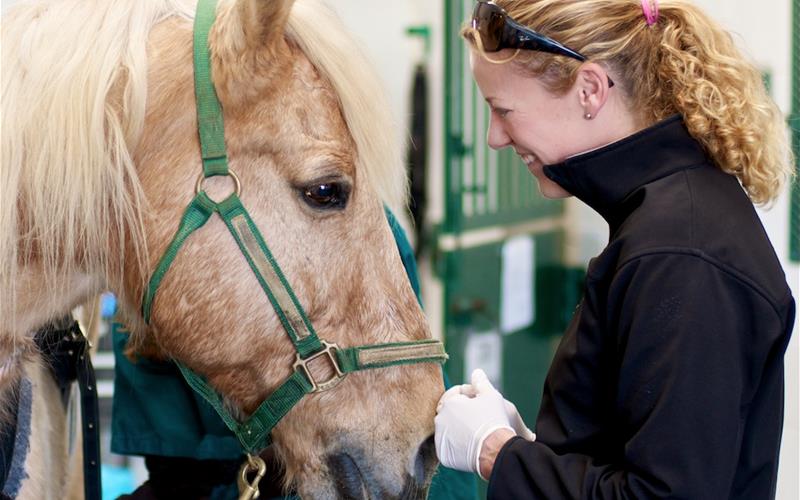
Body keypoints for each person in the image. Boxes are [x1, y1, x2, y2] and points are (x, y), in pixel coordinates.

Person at [434, 1, 796, 498]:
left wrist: (498, 453)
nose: (495, 138)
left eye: (503, 110)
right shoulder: (660, 217)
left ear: (590, 90)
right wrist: (535, 450)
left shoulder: (679, 254)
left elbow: (663, 494)